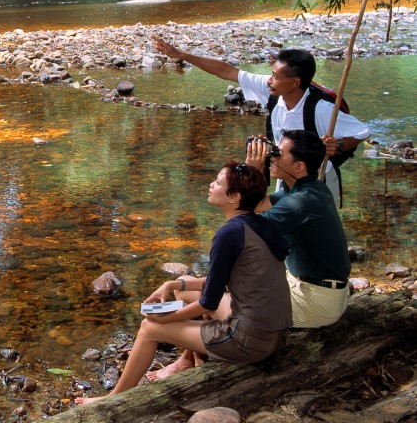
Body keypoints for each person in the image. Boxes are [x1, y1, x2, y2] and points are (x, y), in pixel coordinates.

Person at [75, 161, 291, 404]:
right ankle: (191, 360)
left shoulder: (229, 234)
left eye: (218, 183)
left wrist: (164, 320)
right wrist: (174, 285)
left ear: (234, 197)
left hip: (248, 342)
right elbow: (223, 280)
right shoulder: (258, 224)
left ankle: (112, 399)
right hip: (273, 334)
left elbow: (209, 302)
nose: (211, 185)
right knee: (186, 282)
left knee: (149, 328)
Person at [146, 129, 351, 381]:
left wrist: (250, 174)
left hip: (316, 300)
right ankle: (187, 360)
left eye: (278, 153)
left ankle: (197, 363)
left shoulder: (301, 202)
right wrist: (252, 176)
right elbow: (257, 204)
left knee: (201, 296)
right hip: (311, 287)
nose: (271, 155)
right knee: (192, 290)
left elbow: (246, 228)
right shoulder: (304, 189)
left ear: (298, 166)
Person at [151, 38, 368, 205]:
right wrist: (182, 55)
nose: (269, 80)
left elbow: (362, 132)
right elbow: (227, 71)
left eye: (275, 75)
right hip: (286, 176)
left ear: (294, 83)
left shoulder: (320, 109)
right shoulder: (273, 91)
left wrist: (339, 145)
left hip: (319, 182)